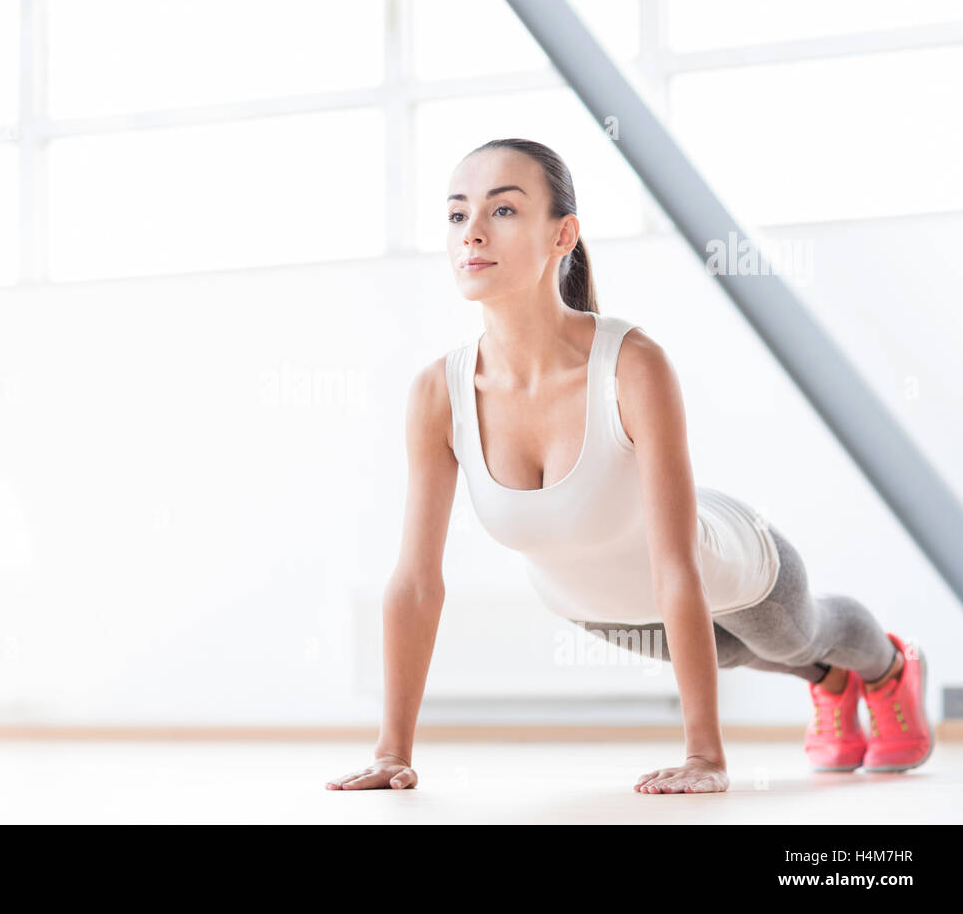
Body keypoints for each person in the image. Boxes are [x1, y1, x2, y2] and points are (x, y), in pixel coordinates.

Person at [325, 139, 932, 795]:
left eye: (502, 211)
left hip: (725, 565)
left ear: (564, 234)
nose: (471, 232)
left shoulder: (632, 364)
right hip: (600, 608)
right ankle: (832, 683)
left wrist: (704, 754)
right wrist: (392, 750)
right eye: (456, 215)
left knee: (797, 634)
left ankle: (890, 667)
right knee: (744, 655)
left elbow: (676, 564)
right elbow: (417, 580)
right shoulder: (436, 392)